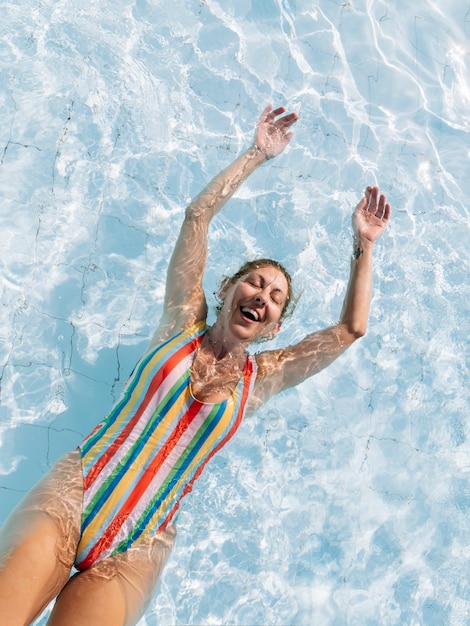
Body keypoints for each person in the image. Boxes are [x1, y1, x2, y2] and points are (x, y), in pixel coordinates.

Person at [0, 105, 390, 625]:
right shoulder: (181, 321)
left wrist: (362, 245)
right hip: (74, 493)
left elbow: (349, 330)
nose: (262, 295)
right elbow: (197, 217)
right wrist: (256, 154)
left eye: (276, 297)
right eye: (254, 282)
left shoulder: (262, 379)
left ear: (273, 326)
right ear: (226, 289)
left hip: (137, 545)